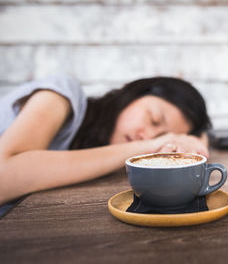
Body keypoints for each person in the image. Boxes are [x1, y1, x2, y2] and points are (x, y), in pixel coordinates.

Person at [0, 75, 211, 207]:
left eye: (159, 138)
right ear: (132, 94)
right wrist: (147, 147)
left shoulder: (98, 154)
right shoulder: (61, 92)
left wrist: (196, 142)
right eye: (153, 119)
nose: (147, 137)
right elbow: (4, 176)